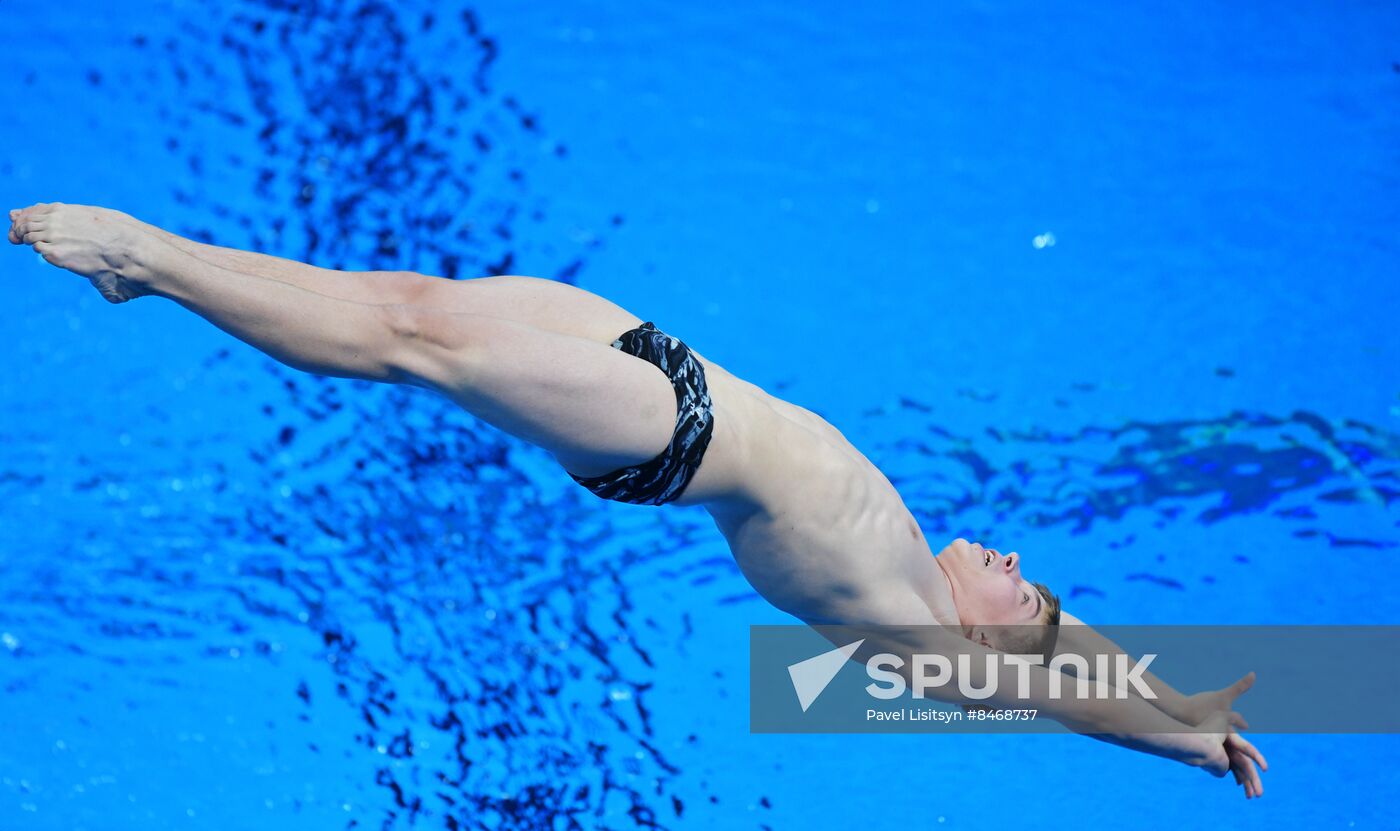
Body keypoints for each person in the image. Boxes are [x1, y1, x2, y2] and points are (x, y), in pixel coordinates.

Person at [9, 202, 1267, 797]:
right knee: (409, 296)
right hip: (671, 370)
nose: (1006, 554)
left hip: (674, 437)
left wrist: (1176, 737)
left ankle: (154, 262)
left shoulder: (931, 644)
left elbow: (1049, 679)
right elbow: (1071, 646)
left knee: (407, 342)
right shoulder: (937, 590)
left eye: (1018, 578)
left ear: (990, 624)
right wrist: (1174, 688)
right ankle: (181, 269)